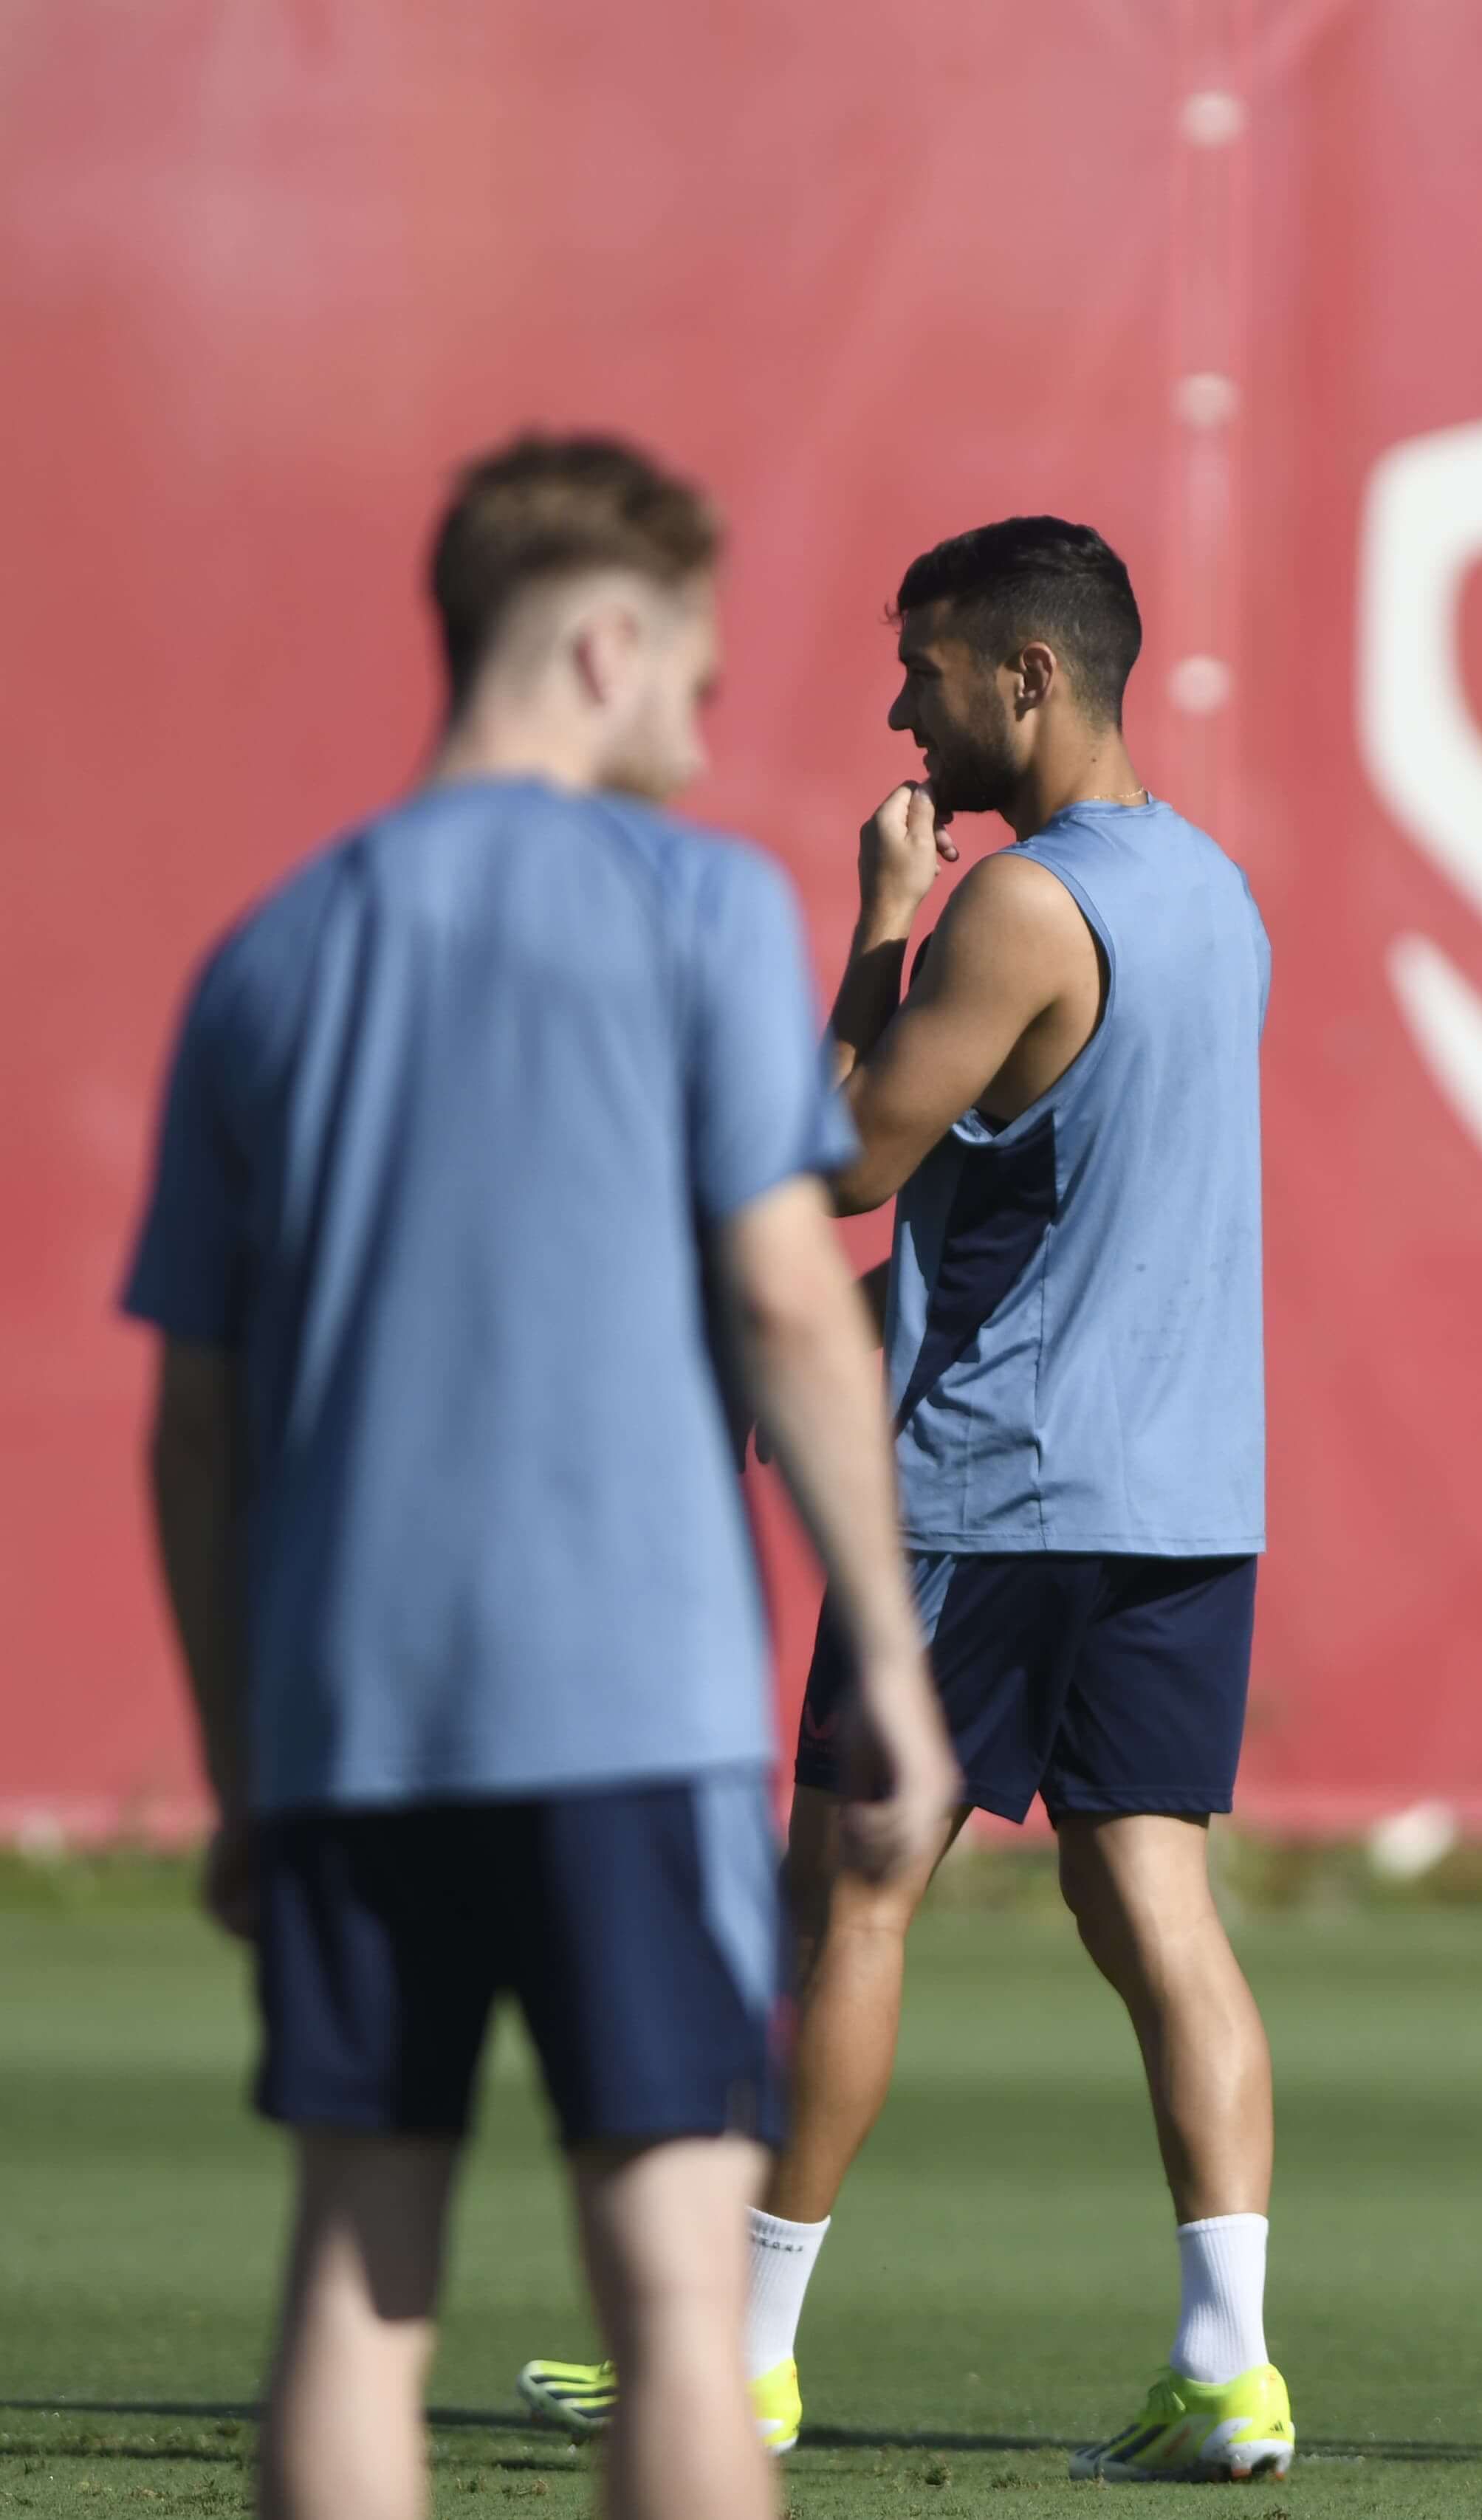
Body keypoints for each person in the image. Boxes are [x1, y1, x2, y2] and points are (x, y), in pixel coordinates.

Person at [123, 434, 963, 2520]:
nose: (704, 712)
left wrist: (243, 1768)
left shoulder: (267, 956)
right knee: (680, 2305)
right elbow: (791, 1301)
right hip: (630, 1711)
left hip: (355, 1723)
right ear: (601, 641)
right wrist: (898, 1664)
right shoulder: (694, 907)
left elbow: (197, 1429)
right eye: (690, 664)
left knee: (353, 2283)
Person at [513, 518, 1284, 2485]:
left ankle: (742, 2362)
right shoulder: (1215, 893)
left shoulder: (1017, 910)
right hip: (1184, 1499)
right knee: (1159, 1910)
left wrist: (878, 915)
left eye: (926, 669)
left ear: (1028, 679)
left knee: (849, 1893)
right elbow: (1047, 1219)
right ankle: (1229, 2368)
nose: (900, 709)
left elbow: (845, 1156)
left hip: (998, 1502)